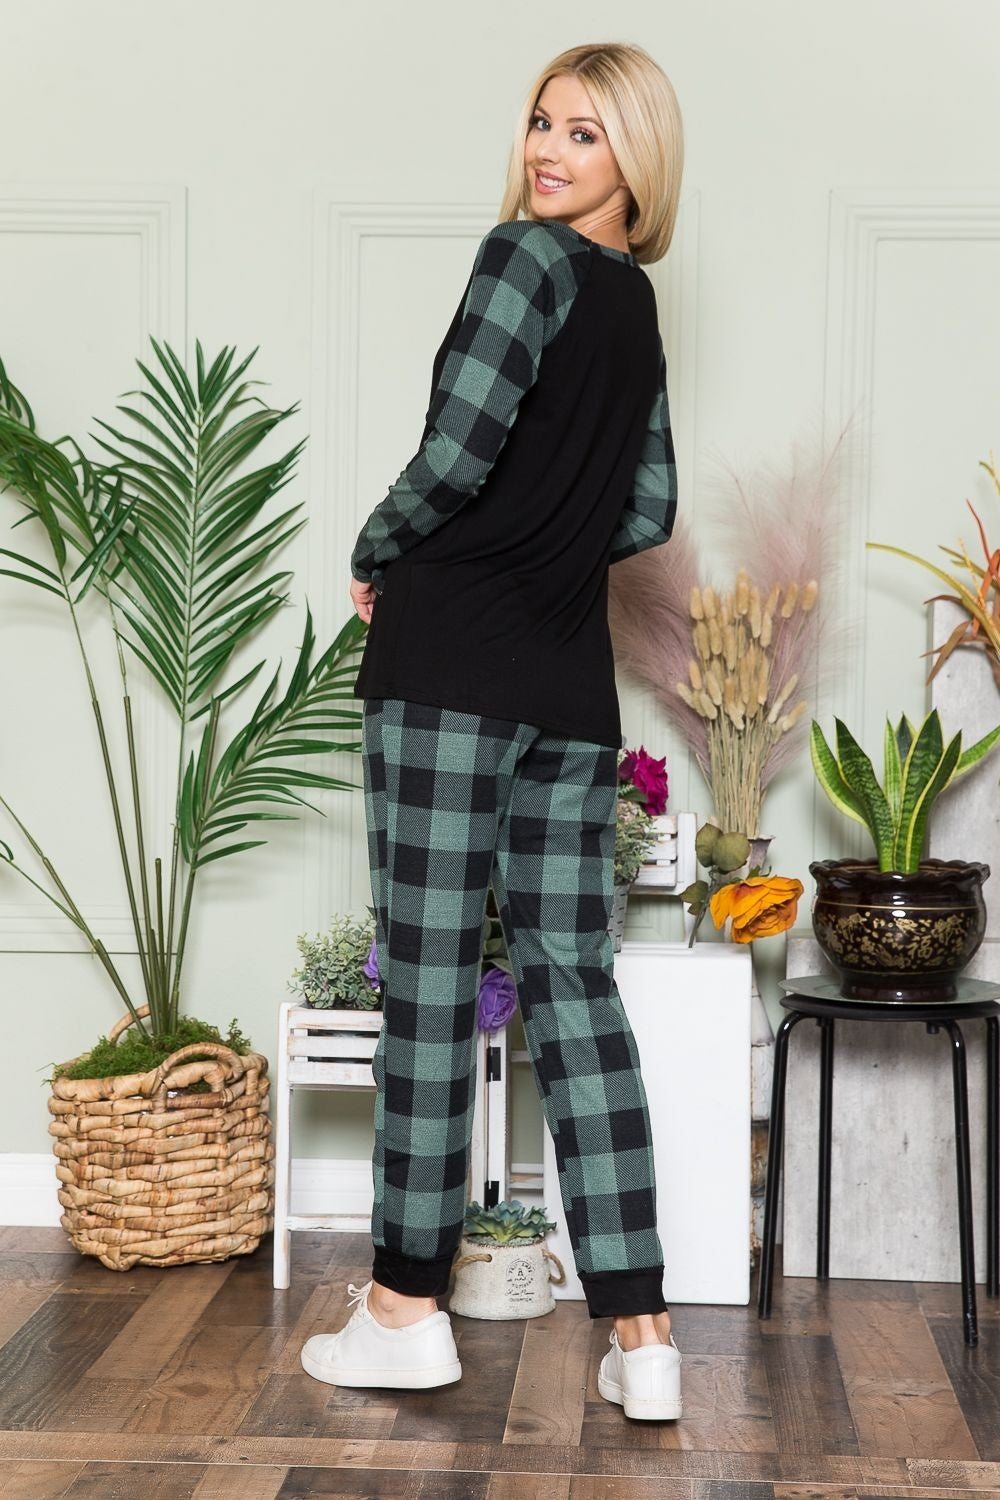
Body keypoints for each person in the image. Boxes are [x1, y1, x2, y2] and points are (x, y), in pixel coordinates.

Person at [301, 40, 685, 1422]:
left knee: (430, 984)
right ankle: (644, 1340)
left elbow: (458, 452)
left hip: (449, 664)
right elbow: (644, 507)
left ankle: (407, 1309)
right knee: (577, 993)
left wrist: (377, 544)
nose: (546, 151)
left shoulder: (521, 261)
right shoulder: (638, 307)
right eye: (540, 123)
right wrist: (552, 534)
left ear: (633, 160)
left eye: (583, 133)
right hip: (571, 692)